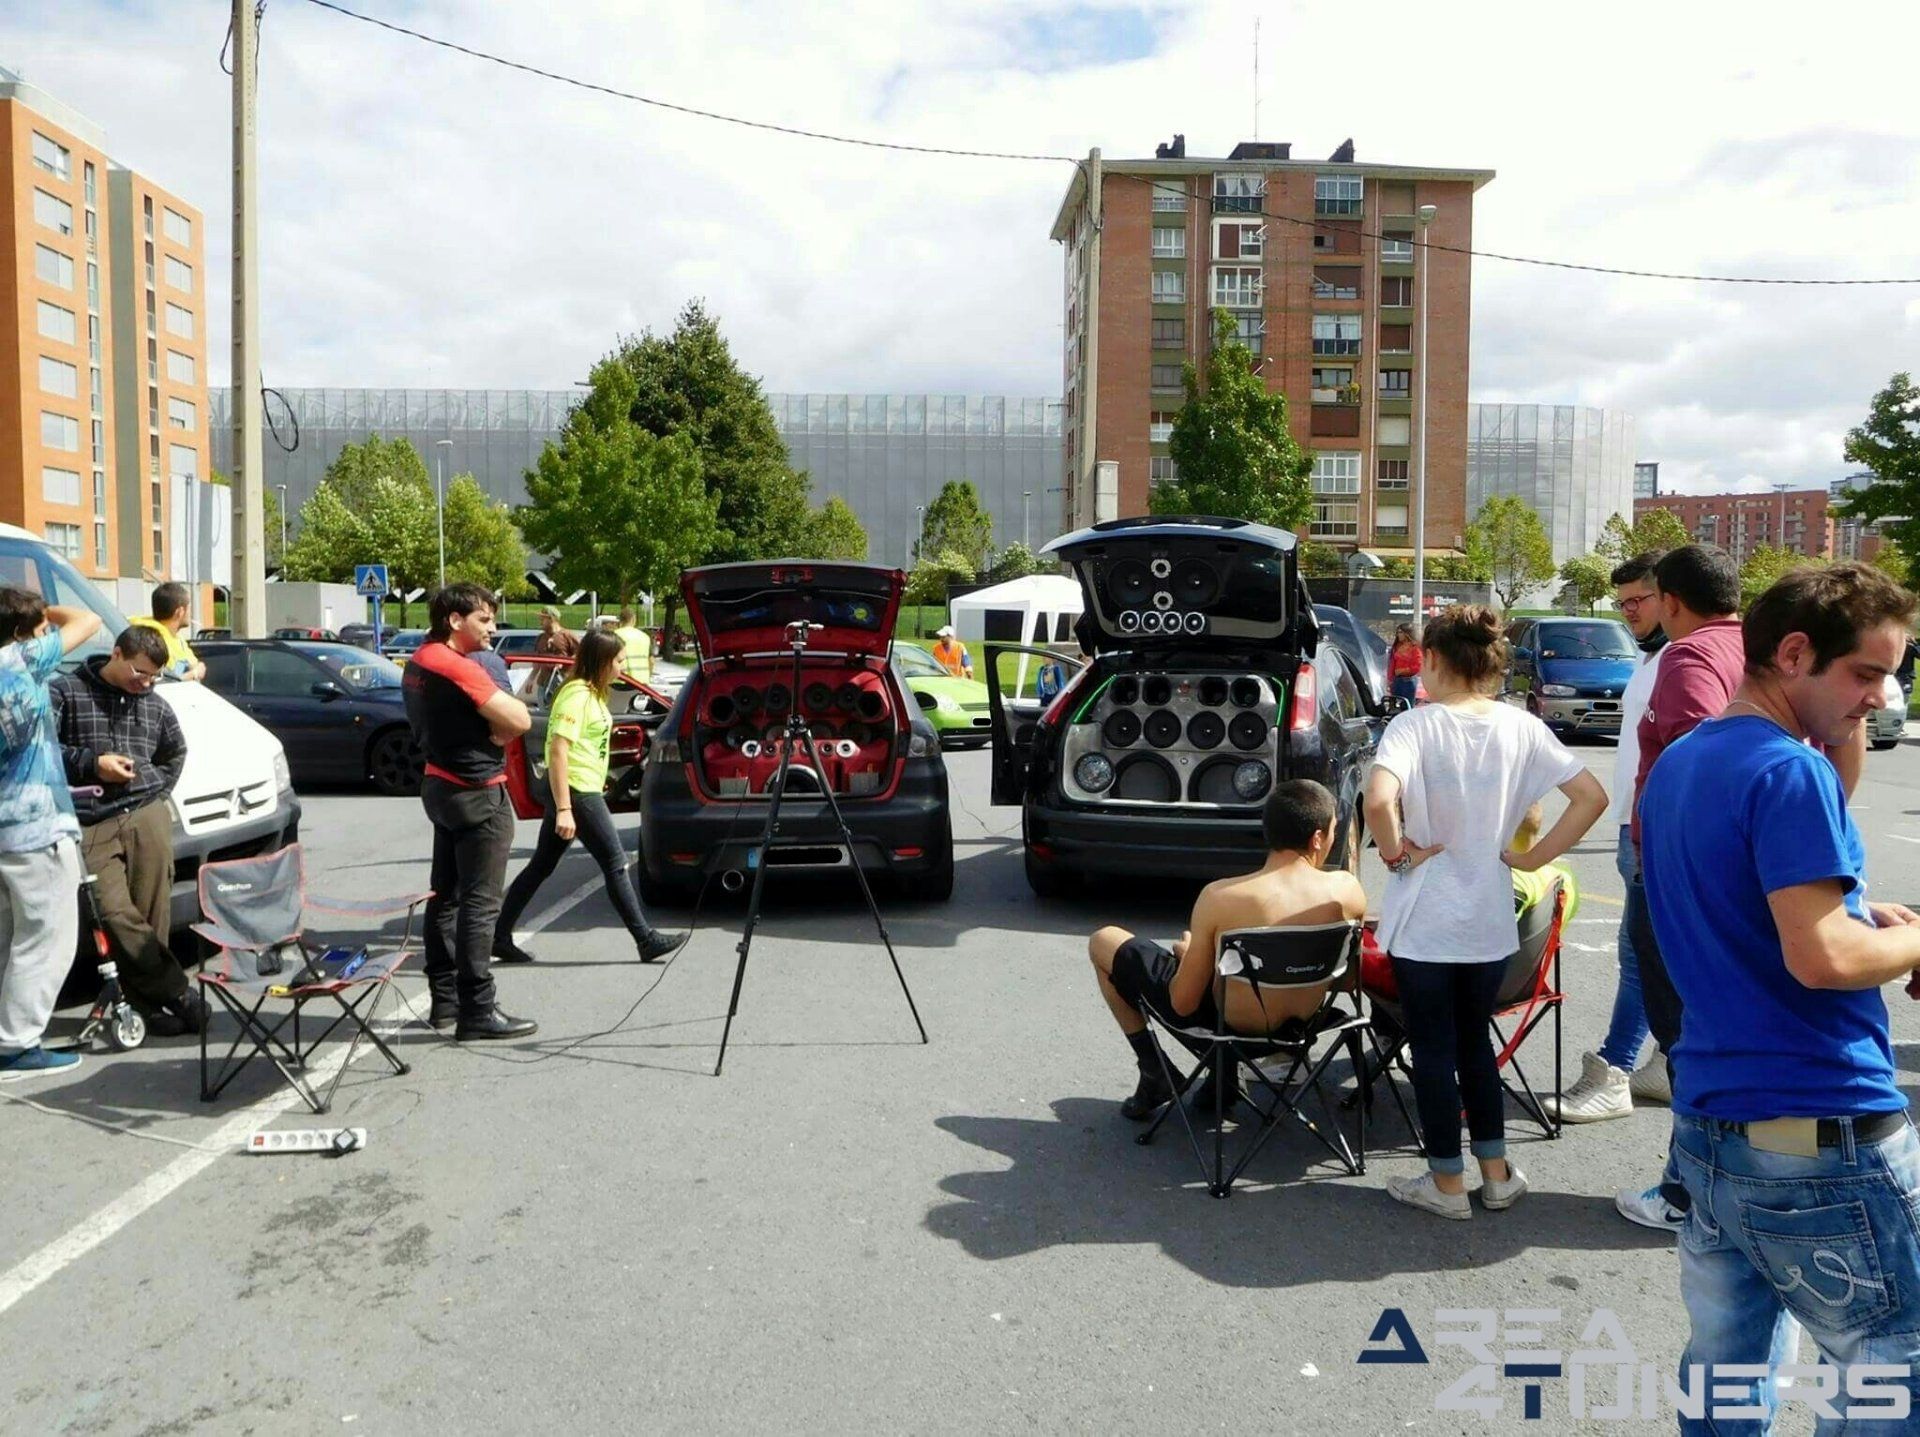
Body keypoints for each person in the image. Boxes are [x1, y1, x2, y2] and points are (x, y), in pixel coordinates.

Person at [1639, 561, 1920, 1422]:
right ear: (1793, 652)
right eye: (1866, 672)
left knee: (1726, 1378)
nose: (1879, 696)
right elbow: (1822, 958)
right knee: (1888, 1367)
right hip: (1820, 1130)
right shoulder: (1789, 771)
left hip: (1712, 1130)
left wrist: (1852, 912)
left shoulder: (1682, 763)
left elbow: (1733, 907)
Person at [1364, 604, 1608, 1220]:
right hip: (1488, 916)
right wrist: (1535, 858)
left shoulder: (1415, 726)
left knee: (1433, 1050)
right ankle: (1496, 1175)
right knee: (1474, 1041)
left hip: (1424, 919)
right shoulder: (1521, 727)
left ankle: (1447, 1184)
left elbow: (1377, 799)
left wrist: (1398, 856)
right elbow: (1590, 797)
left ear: (1435, 660)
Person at [1087, 780, 1367, 1120]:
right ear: (1318, 837)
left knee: (1104, 940)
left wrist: (1190, 954)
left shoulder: (1221, 898)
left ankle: (1155, 1070)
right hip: (1303, 1026)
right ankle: (1219, 1078)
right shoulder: (1347, 891)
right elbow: (1349, 981)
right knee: (1231, 972)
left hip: (1231, 1031)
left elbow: (1183, 1002)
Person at [1617, 544, 1746, 1233]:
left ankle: (1686, 1193)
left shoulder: (1690, 657)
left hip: (1685, 876)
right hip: (1726, 877)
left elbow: (1706, 762)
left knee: (1690, 1045)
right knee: (1710, 1038)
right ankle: (1699, 1185)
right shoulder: (1751, 647)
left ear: (1670, 599)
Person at [1548, 551, 1668, 1124]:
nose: (1629, 613)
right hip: (1635, 825)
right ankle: (1666, 1064)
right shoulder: (1657, 658)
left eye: (1637, 601)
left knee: (1640, 955)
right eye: (1621, 604)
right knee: (1653, 955)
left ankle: (1616, 1071)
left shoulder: (1684, 660)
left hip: (1651, 832)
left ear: (1669, 595)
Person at [494, 629, 685, 966]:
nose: (623, 667)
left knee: (541, 865)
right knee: (615, 864)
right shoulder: (576, 695)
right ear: (602, 661)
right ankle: (646, 939)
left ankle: (499, 935)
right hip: (578, 792)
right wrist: (565, 807)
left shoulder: (593, 694)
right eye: (619, 660)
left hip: (582, 790)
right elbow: (557, 750)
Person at [51, 625, 206, 1037]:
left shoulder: (154, 704)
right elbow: (44, 750)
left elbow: (177, 751)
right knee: (114, 911)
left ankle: (146, 1008)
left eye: (154, 677)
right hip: (92, 819)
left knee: (154, 911)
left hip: (145, 813)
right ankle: (178, 992)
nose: (147, 683)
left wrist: (156, 791)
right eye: (140, 673)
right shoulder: (65, 692)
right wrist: (92, 763)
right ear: (117, 654)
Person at [403, 583, 537, 1041]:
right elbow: (519, 720)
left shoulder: (419, 659)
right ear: (454, 620)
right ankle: (477, 1009)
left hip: (440, 786)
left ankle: (445, 1001)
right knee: (479, 905)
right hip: (477, 792)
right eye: (484, 620)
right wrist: (499, 732)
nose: (493, 628)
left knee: (446, 896)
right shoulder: (454, 665)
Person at [0, 588, 102, 1076]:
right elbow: (86, 620)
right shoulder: (19, 659)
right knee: (45, 938)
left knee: (8, 937)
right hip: (35, 827)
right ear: (23, 633)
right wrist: (42, 612)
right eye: (39, 629)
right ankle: (17, 1044)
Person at [129, 581, 205, 682]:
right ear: (180, 612)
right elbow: (160, 682)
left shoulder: (176, 638)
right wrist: (194, 674)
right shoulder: (153, 642)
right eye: (189, 608)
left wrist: (197, 669)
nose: (190, 614)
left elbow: (194, 663)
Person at [614, 606, 653, 683]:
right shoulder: (645, 637)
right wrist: (649, 675)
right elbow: (651, 661)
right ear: (633, 619)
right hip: (641, 683)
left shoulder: (614, 635)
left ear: (620, 620)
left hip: (620, 681)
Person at [1387, 624, 1422, 703]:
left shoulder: (1415, 647)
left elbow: (1417, 666)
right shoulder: (1397, 646)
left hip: (1408, 681)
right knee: (1394, 706)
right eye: (1398, 632)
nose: (1398, 635)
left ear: (1407, 634)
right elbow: (1392, 663)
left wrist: (1403, 671)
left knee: (1407, 705)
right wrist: (1390, 679)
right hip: (1396, 681)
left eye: (1400, 632)